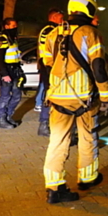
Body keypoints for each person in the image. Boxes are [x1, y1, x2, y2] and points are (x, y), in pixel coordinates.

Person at [42, 0, 108, 204]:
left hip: (57, 98)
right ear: (88, 9)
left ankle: (54, 187)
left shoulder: (53, 33)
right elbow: (98, 66)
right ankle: (87, 177)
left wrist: (50, 91)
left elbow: (46, 66)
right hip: (84, 98)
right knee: (88, 137)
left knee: (57, 141)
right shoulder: (91, 33)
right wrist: (106, 95)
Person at [35, 8, 64, 137]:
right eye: (60, 18)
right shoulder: (49, 30)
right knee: (49, 94)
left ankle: (52, 123)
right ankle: (44, 124)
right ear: (53, 18)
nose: (62, 20)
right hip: (49, 67)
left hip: (51, 66)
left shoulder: (54, 29)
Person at [0, 18, 25, 129]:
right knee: (5, 96)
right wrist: (4, 73)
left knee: (17, 95)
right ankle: (2, 120)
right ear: (6, 26)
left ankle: (8, 116)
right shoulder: (2, 39)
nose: (15, 28)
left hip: (16, 70)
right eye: (13, 26)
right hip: (7, 71)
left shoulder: (13, 39)